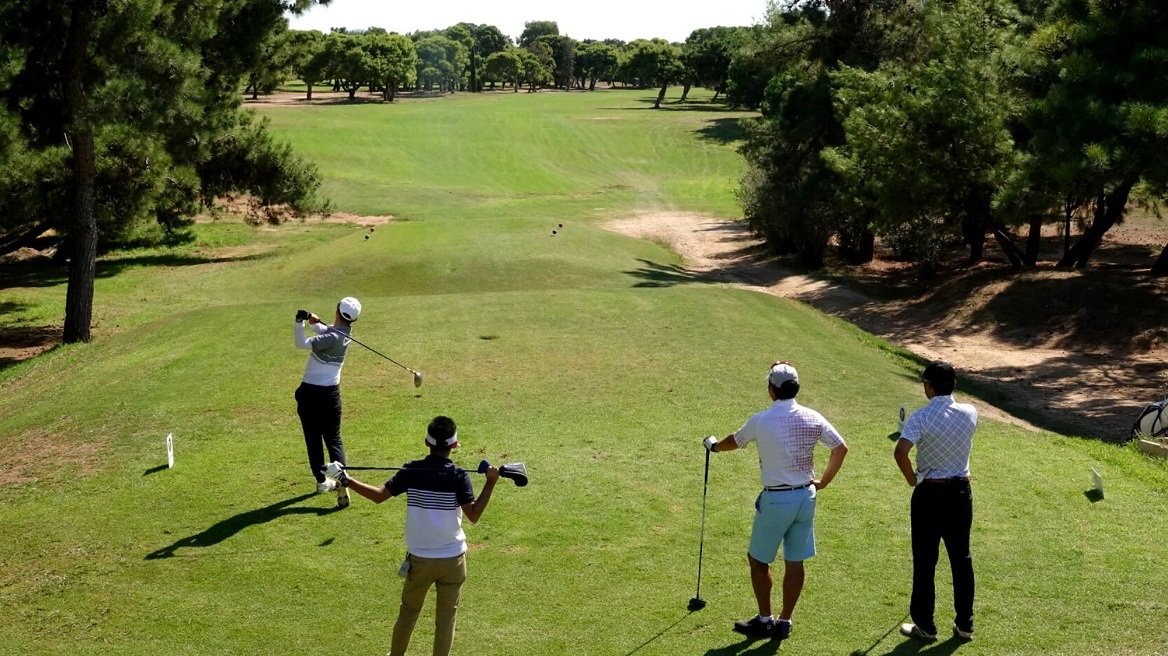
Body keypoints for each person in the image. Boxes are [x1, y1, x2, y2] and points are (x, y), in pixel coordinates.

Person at [324, 416, 500, 656]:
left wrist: (346, 479)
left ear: (427, 443)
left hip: (420, 560)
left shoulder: (412, 470)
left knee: (408, 612)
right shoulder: (459, 476)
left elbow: (378, 496)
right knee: (446, 620)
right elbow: (474, 515)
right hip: (453, 561)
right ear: (454, 445)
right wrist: (490, 482)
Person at [703, 361, 849, 642]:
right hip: (806, 496)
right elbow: (840, 448)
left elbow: (735, 440)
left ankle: (764, 619)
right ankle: (784, 621)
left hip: (776, 500)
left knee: (757, 559)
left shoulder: (762, 420)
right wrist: (824, 482)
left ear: (772, 389)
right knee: (795, 560)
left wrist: (714, 446)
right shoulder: (813, 416)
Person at [893, 360, 977, 643]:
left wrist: (912, 480)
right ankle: (965, 624)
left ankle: (926, 626)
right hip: (960, 493)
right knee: (961, 558)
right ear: (954, 384)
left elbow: (901, 452)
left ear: (928, 386)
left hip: (929, 493)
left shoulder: (921, 417)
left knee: (925, 560)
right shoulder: (970, 412)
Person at [294, 296, 361, 508]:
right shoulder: (345, 335)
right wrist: (314, 321)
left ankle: (322, 481)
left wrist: (299, 322)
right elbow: (327, 330)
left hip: (310, 394)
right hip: (331, 394)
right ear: (353, 319)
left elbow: (301, 343)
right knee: (334, 439)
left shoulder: (331, 337)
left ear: (337, 310)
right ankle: (342, 478)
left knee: (313, 438)